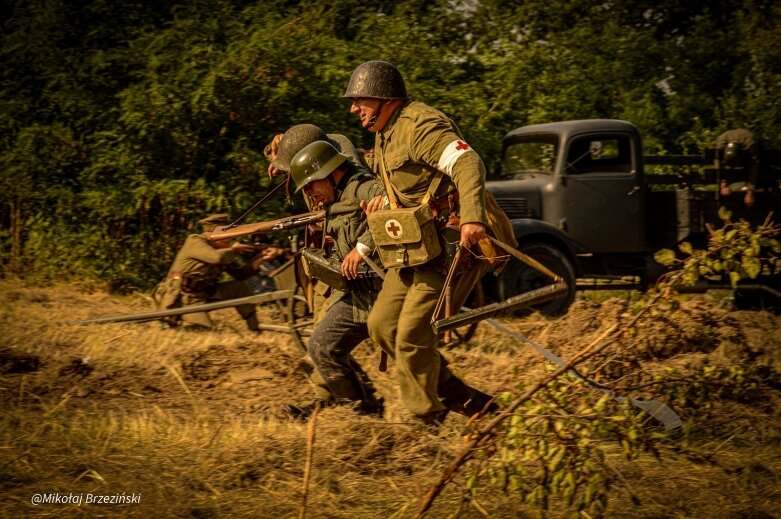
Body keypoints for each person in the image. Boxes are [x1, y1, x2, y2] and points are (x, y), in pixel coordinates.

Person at [344, 60, 516, 425]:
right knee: (381, 326)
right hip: (414, 247)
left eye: (360, 100)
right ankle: (463, 398)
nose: (353, 108)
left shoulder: (419, 125)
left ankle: (427, 418)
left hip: (451, 246)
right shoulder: (384, 132)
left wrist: (473, 218)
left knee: (410, 335)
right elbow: (397, 179)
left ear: (383, 98)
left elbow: (468, 162)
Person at [281, 140, 385, 420]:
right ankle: (361, 415)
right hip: (358, 293)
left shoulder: (363, 187)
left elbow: (395, 201)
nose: (311, 195)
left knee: (414, 360)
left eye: (311, 186)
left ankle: (476, 407)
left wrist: (362, 246)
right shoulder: (336, 198)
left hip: (386, 293)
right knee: (320, 345)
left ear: (327, 174)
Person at [152, 213, 280, 331]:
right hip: (183, 296)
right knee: (206, 331)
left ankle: (255, 329)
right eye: (226, 234)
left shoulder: (223, 249)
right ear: (211, 233)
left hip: (204, 293)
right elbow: (216, 258)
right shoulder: (195, 240)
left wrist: (262, 257)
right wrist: (233, 250)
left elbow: (240, 274)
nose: (230, 238)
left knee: (239, 288)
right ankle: (173, 324)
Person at [715, 128, 761, 207]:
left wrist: (750, 192)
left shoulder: (751, 144)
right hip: (732, 171)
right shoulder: (721, 143)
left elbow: (754, 166)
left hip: (752, 160)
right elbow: (718, 164)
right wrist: (723, 184)